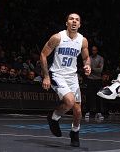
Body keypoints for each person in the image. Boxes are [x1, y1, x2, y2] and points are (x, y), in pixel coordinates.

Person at [41, 13, 91, 148]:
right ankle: (54, 117)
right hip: (58, 75)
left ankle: (75, 133)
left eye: (77, 20)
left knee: (78, 111)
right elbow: (43, 55)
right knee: (69, 101)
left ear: (79, 24)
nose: (74, 21)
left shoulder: (83, 40)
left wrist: (87, 65)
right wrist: (46, 76)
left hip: (72, 77)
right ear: (66, 23)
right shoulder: (57, 37)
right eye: (71, 19)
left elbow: (86, 58)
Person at [84, 44, 104, 120]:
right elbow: (86, 69)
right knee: (88, 96)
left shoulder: (101, 58)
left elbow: (100, 70)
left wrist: (91, 68)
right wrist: (95, 68)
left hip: (98, 80)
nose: (93, 51)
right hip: (90, 79)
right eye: (92, 50)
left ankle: (98, 112)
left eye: (95, 50)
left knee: (98, 96)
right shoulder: (88, 58)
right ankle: (87, 112)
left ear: (97, 51)